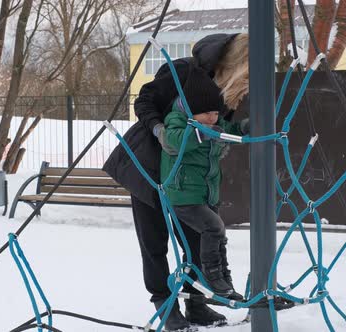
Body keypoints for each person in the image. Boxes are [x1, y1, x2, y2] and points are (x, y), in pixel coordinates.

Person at [103, 33, 249, 331]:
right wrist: (160, 132)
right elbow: (144, 102)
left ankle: (196, 303)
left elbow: (218, 130)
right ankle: (165, 304)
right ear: (237, 63)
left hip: (189, 176)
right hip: (150, 165)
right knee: (154, 239)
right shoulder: (182, 70)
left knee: (197, 237)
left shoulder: (227, 89)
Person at [161, 68, 248, 300]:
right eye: (206, 113)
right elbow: (174, 139)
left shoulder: (212, 124)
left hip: (206, 195)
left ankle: (223, 278)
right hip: (182, 196)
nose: (212, 118)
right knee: (214, 228)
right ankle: (211, 277)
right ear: (190, 111)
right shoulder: (176, 121)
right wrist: (199, 134)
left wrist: (243, 128)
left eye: (215, 113)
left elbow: (227, 130)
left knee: (219, 235)